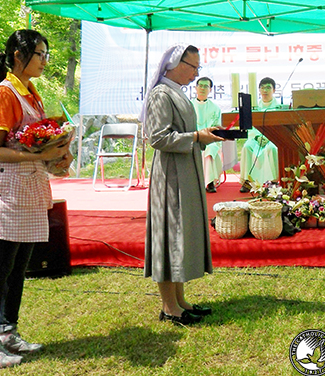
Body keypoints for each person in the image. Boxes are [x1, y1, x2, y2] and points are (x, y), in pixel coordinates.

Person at [0, 30, 72, 368]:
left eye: (47, 54)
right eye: (40, 54)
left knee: (19, 265)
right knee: (0, 266)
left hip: (31, 187)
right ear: (18, 55)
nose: (45, 61)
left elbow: (34, 142)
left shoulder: (31, 92)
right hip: (10, 190)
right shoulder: (4, 93)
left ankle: (8, 331)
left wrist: (57, 154)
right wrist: (36, 156)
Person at [140, 44, 224, 325]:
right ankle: (169, 307)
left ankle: (180, 300)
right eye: (193, 67)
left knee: (179, 235)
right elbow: (158, 138)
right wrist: (197, 138)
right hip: (171, 174)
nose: (195, 73)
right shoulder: (161, 94)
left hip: (184, 169)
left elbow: (182, 133)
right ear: (176, 63)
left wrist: (201, 135)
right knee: (168, 235)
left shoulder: (175, 92)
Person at [239, 77, 280, 193]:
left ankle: (273, 181)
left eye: (268, 88)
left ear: (274, 90)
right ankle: (248, 181)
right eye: (262, 88)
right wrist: (257, 137)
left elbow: (278, 127)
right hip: (256, 138)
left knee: (272, 148)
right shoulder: (254, 106)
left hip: (272, 139)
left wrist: (268, 138)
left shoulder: (279, 107)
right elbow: (249, 126)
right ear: (259, 90)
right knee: (247, 147)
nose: (265, 91)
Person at [192, 77, 223, 193]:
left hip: (210, 140)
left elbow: (217, 127)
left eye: (206, 86)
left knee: (209, 150)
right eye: (200, 85)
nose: (202, 88)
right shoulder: (189, 106)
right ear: (196, 88)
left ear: (210, 89)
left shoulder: (215, 108)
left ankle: (209, 182)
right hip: (194, 138)